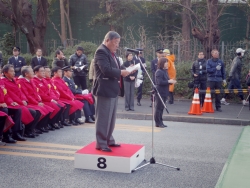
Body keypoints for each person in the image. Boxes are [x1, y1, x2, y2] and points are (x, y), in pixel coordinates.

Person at [93, 31, 130, 152]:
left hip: (112, 88)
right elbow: (106, 70)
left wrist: (128, 70)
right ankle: (101, 142)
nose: (117, 45)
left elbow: (117, 67)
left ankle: (109, 139)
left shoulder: (110, 52)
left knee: (111, 117)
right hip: (104, 89)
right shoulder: (101, 51)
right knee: (103, 117)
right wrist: (121, 72)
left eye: (118, 43)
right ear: (107, 40)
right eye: (115, 43)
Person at [17, 66, 54, 133]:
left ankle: (39, 127)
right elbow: (27, 95)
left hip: (34, 101)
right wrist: (36, 103)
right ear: (26, 74)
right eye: (31, 72)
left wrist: (39, 101)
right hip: (30, 102)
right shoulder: (21, 82)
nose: (33, 73)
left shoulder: (31, 81)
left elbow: (36, 93)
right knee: (38, 111)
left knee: (48, 109)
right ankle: (29, 130)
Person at [154, 57, 176, 128]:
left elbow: (166, 81)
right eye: (165, 62)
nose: (167, 63)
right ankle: (158, 122)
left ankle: (161, 121)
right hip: (160, 92)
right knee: (158, 107)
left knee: (162, 107)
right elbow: (159, 82)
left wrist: (171, 81)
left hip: (165, 91)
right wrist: (168, 81)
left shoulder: (165, 71)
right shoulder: (159, 71)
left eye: (167, 62)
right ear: (162, 63)